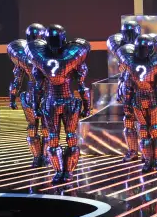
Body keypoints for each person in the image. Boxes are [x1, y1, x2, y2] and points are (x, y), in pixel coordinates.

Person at [25, 25, 91, 183]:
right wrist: (87, 106)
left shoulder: (42, 59)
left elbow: (38, 87)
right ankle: (61, 171)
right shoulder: (69, 59)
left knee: (66, 138)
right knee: (58, 138)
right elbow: (82, 87)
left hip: (57, 102)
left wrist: (36, 107)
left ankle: (65, 172)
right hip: (60, 101)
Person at [116, 34, 157, 173]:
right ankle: (148, 159)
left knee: (155, 130)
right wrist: (127, 104)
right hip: (138, 100)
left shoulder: (156, 65)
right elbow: (128, 86)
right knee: (143, 131)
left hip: (152, 99)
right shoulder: (131, 64)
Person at [8, 23, 49, 168]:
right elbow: (17, 80)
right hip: (43, 94)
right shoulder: (45, 54)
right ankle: (41, 157)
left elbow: (16, 81)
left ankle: (39, 157)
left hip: (35, 94)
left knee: (36, 127)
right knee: (44, 128)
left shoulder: (25, 56)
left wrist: (12, 99)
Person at [107, 21, 142, 162]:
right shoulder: (120, 47)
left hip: (142, 86)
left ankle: (147, 153)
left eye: (131, 33)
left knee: (145, 123)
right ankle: (132, 151)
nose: (129, 36)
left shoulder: (144, 46)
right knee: (128, 121)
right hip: (127, 85)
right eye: (127, 33)